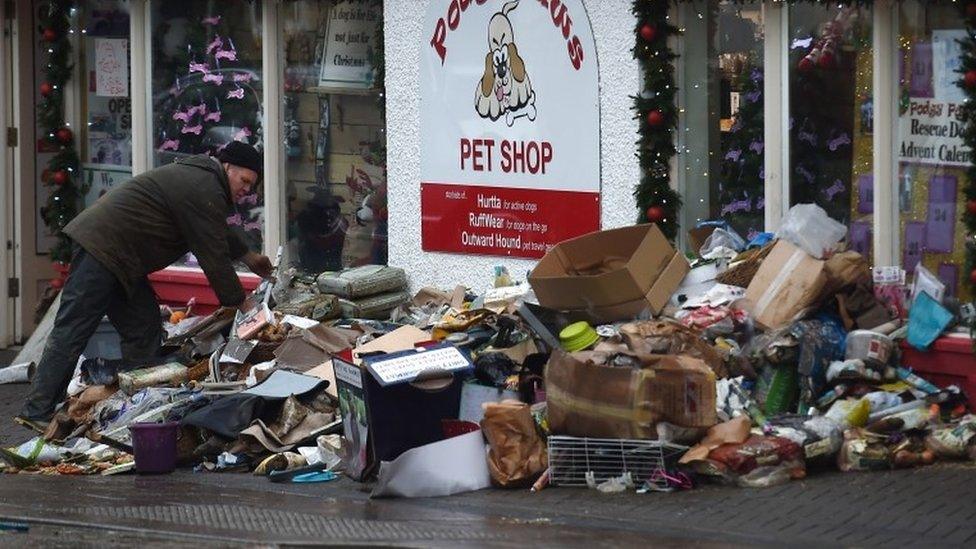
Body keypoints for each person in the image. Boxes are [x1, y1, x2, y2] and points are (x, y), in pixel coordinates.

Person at [17, 142, 273, 430]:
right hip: (101, 247)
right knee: (73, 328)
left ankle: (136, 409)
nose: (246, 190)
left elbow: (215, 229)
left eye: (251, 186)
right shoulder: (204, 186)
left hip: (122, 258)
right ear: (227, 167)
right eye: (245, 181)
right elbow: (213, 255)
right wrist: (245, 305)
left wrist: (249, 257)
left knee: (143, 327)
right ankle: (36, 411)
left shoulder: (204, 183)